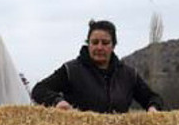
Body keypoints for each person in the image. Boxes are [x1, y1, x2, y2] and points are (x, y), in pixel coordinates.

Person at [32, 19, 164, 113]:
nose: (99, 47)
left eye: (105, 42)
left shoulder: (129, 75)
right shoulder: (71, 70)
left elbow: (153, 98)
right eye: (94, 42)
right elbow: (39, 89)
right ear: (88, 44)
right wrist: (57, 101)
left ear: (113, 45)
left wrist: (153, 107)